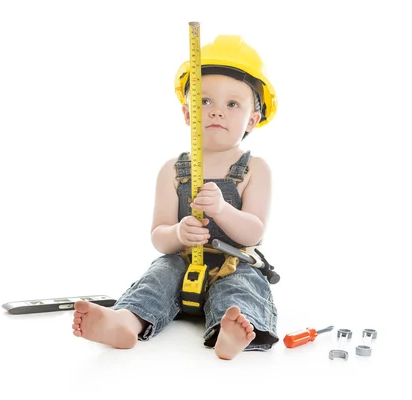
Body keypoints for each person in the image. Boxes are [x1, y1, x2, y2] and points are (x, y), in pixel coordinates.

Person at [71, 34, 279, 360]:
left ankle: (230, 332)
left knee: (241, 288)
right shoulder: (173, 169)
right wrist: (179, 233)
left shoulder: (255, 169)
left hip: (232, 263)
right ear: (187, 113)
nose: (217, 112)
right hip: (183, 261)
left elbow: (254, 231)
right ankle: (126, 323)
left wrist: (223, 210)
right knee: (158, 276)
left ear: (253, 119)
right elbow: (159, 235)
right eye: (205, 101)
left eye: (233, 104)